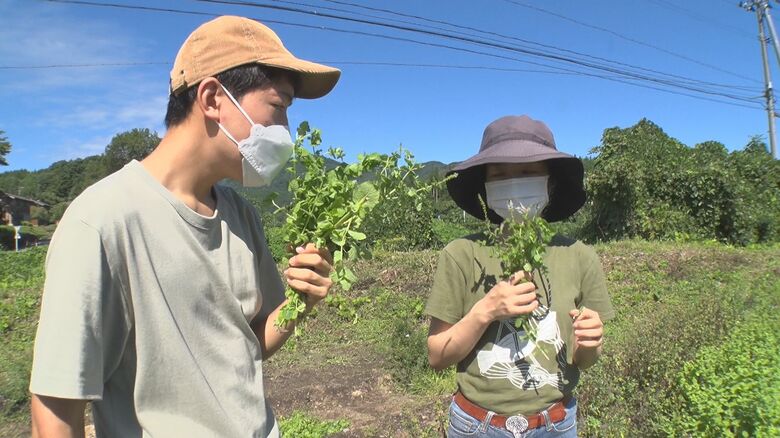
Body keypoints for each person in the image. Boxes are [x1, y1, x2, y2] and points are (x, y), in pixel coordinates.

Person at [29, 16, 341, 438]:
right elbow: (56, 406)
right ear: (213, 98)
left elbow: (248, 347)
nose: (284, 131)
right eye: (279, 106)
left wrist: (300, 301)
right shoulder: (102, 220)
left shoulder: (239, 213)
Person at [426, 115, 615, 437]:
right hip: (477, 425)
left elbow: (584, 360)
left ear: (550, 183)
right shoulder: (461, 254)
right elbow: (437, 356)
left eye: (528, 172)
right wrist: (486, 310)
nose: (514, 183)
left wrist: (591, 341)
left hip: (555, 424)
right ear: (485, 187)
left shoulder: (579, 256)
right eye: (500, 174)